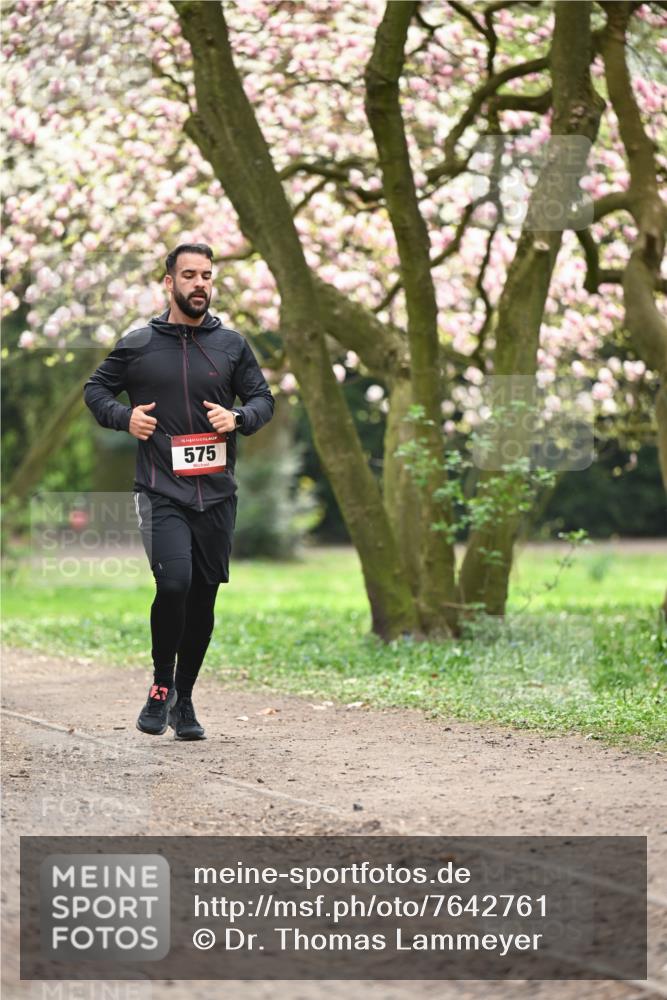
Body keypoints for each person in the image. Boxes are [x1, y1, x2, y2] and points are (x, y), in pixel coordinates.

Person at [84, 243, 274, 740]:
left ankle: (184, 699)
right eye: (189, 275)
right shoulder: (139, 343)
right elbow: (96, 390)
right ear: (169, 283)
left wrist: (238, 418)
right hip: (160, 489)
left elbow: (262, 399)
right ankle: (161, 685)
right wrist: (124, 417)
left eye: (207, 276)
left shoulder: (231, 345)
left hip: (215, 494)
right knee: (173, 585)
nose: (199, 284)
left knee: (204, 601)